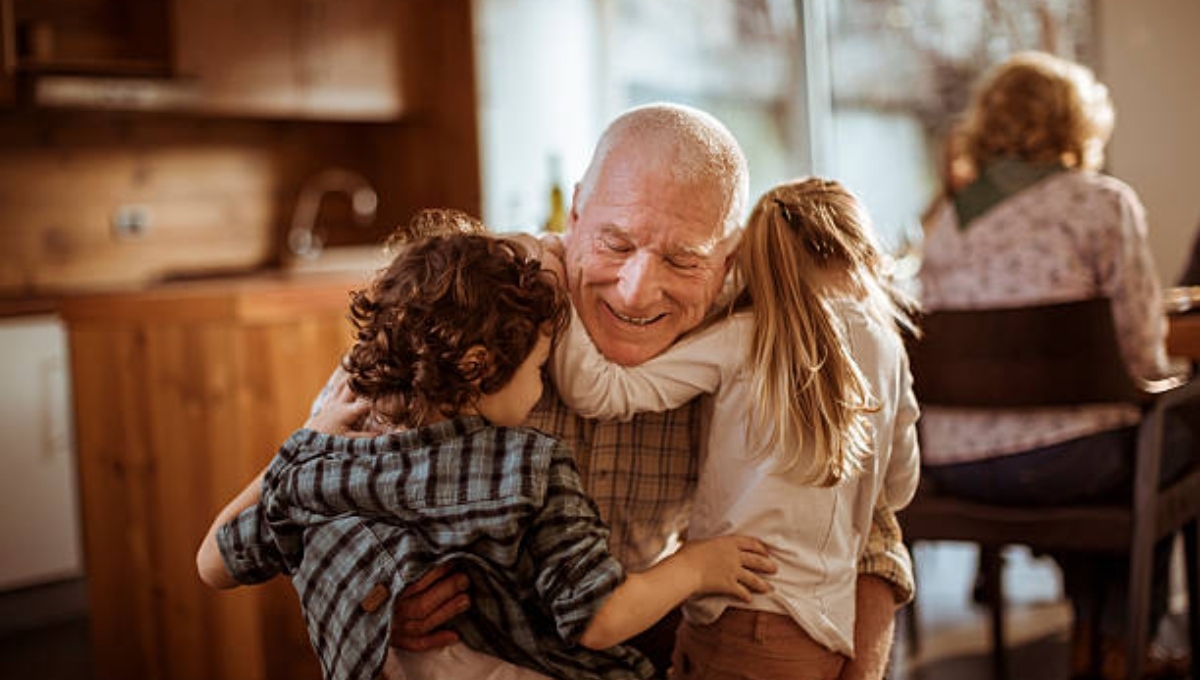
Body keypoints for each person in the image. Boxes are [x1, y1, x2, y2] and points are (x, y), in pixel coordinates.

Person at [308, 103, 915, 680]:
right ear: (573, 215)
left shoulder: (750, 340)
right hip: (463, 645)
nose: (635, 291)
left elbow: (872, 530)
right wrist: (375, 593)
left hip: (635, 630)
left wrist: (859, 667)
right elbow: (310, 484)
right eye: (616, 244)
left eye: (682, 261)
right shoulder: (476, 299)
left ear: (729, 262)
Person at [196, 224, 778, 680]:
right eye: (537, 368)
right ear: (479, 367)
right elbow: (599, 619)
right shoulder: (528, 469)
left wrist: (304, 447)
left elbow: (213, 564)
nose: (542, 385)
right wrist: (699, 565)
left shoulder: (330, 461)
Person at [547, 177, 921, 680]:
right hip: (824, 630)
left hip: (735, 617)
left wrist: (556, 284)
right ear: (862, 250)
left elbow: (597, 391)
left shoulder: (743, 336)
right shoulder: (890, 349)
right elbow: (898, 489)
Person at [917, 51, 1194, 680]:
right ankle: (1126, 643)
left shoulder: (947, 222)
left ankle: (1095, 638)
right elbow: (1139, 352)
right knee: (1169, 439)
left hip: (957, 466)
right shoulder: (1101, 202)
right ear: (1077, 124)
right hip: (1073, 462)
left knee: (1115, 449)